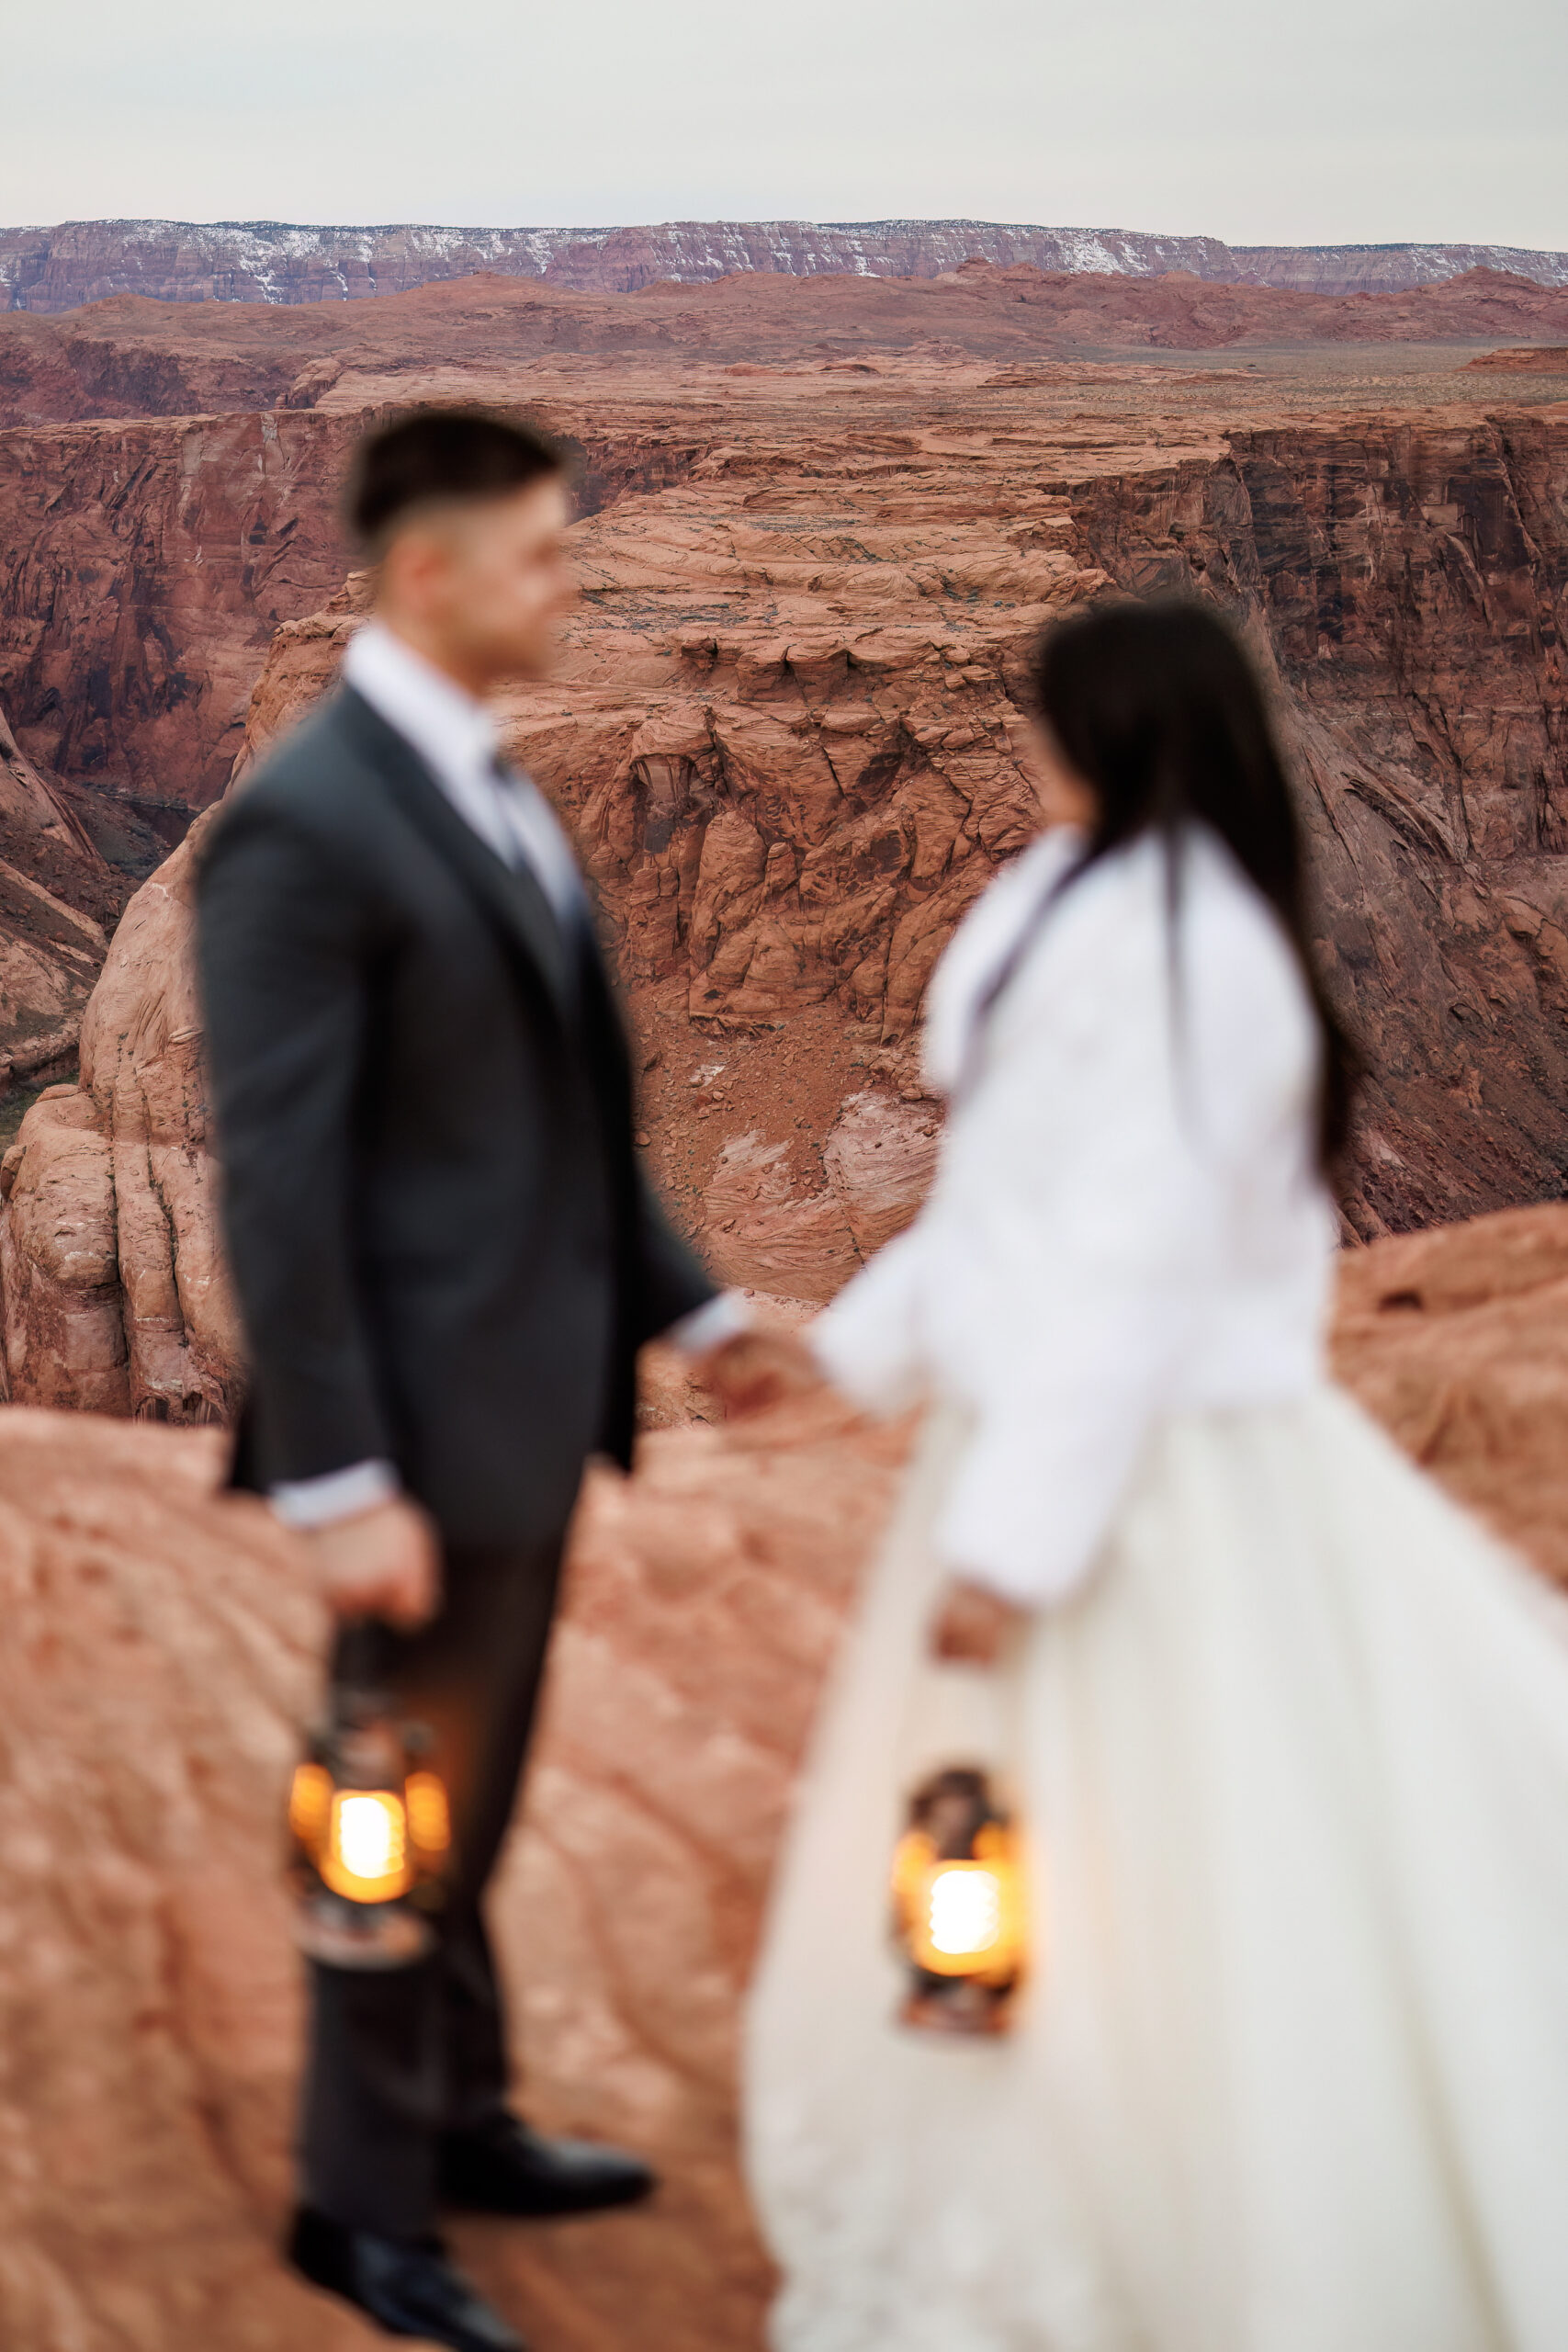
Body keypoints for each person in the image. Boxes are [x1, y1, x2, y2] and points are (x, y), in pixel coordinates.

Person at [742, 599, 1568, 2351]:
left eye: (1046, 719)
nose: (1020, 747)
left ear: (1112, 735)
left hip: (1163, 1483)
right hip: (1030, 1443)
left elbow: (1127, 1275)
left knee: (1196, 1849)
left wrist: (1015, 1546)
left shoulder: (1217, 968)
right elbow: (1001, 1213)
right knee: (1022, 1856)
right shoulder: (1070, 905)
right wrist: (837, 1361)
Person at [197, 408, 750, 2352]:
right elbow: (281, 1177)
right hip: (416, 1444)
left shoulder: (482, 783)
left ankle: (469, 2114)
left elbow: (563, 1118)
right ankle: (362, 2209)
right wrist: (340, 1478)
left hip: (513, 1416)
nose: (572, 582)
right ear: (425, 570)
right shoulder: (307, 820)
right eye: (540, 553)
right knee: (390, 1808)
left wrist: (694, 1315)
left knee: (471, 1784)